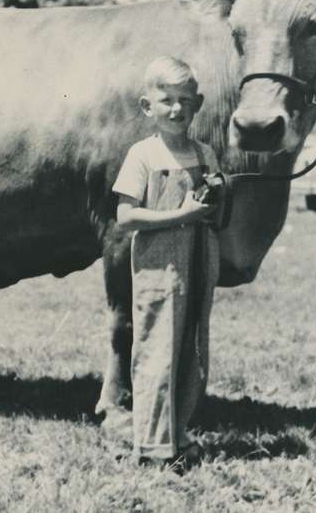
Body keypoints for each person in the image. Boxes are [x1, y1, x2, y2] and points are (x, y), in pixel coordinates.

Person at [112, 56, 220, 468]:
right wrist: (182, 216)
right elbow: (126, 217)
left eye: (185, 100)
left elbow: (212, 209)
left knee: (191, 349)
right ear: (147, 106)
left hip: (198, 264)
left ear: (198, 103)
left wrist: (217, 195)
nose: (176, 109)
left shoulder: (205, 153)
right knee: (157, 350)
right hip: (159, 270)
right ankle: (152, 446)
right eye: (166, 100)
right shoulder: (143, 155)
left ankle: (178, 433)